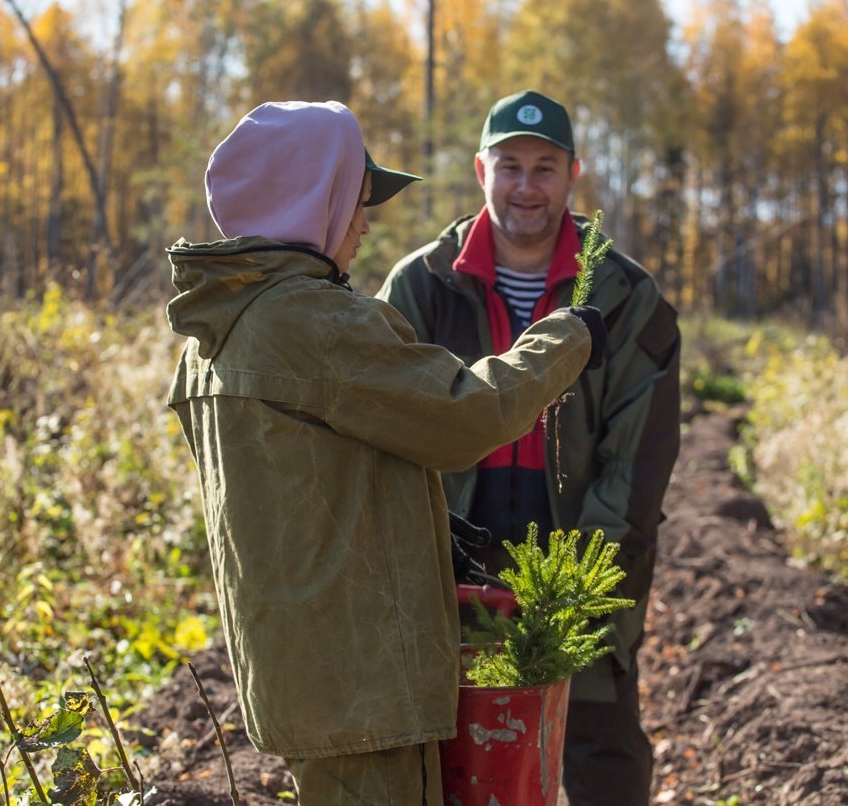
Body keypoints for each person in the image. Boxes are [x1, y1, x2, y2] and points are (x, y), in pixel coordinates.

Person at [164, 100, 606, 804]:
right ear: (318, 204)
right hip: (362, 678)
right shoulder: (313, 320)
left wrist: (418, 518)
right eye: (358, 202)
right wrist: (567, 337)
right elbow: (466, 413)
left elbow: (311, 476)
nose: (366, 225)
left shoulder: (214, 331)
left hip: (299, 670)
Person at [377, 89, 681, 806]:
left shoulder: (625, 295)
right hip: (449, 560)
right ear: (480, 169)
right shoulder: (419, 287)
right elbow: (387, 431)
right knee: (448, 750)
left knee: (600, 744)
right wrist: (422, 559)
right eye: (509, 165)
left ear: (574, 173)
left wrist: (575, 585)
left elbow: (635, 465)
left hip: (582, 553)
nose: (526, 186)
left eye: (545, 168)